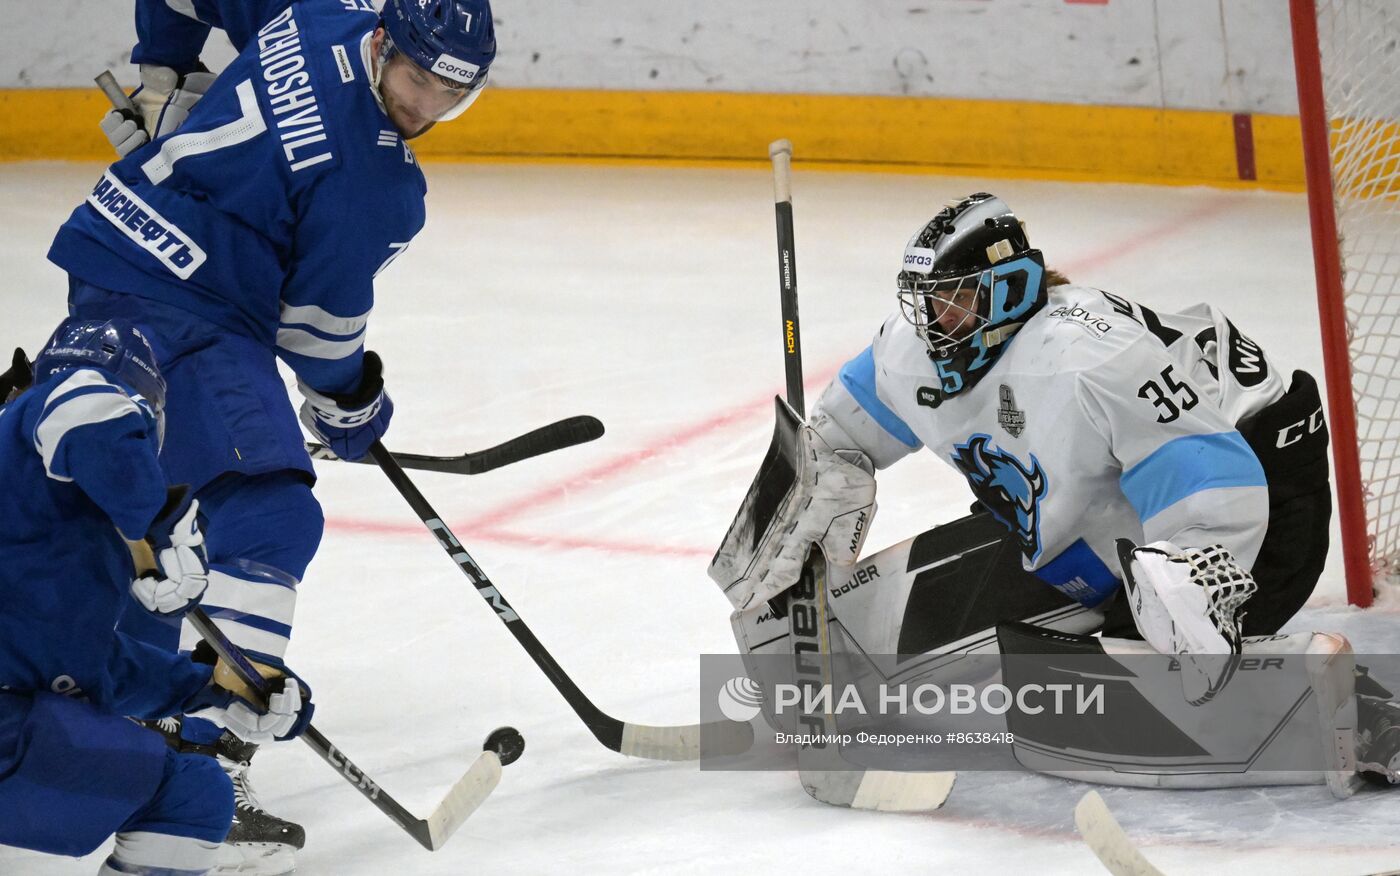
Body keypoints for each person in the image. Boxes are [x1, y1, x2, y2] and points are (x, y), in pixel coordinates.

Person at [708, 193, 1400, 787]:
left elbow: (1215, 482)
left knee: (1136, 657)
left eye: (951, 302)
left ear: (1006, 289)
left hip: (1257, 478)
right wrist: (809, 486)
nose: (933, 322)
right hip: (1106, 494)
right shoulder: (911, 351)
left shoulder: (1089, 359)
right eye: (926, 302)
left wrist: (1191, 586)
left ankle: (1356, 710)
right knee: (1020, 622)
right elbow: (842, 437)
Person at [45, 0, 494, 868]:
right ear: (384, 42)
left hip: (111, 249)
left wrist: (163, 76)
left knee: (155, 518)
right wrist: (354, 410)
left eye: (448, 95)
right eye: (416, 80)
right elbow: (318, 339)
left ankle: (127, 738)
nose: (425, 108)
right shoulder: (379, 185)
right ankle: (197, 770)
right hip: (188, 316)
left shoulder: (316, 13)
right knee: (271, 517)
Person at [0, 319, 311, 876]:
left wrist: (216, 689)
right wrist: (160, 521)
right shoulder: (43, 422)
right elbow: (83, 399)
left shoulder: (54, 537)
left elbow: (75, 659)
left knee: (189, 792)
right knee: (189, 797)